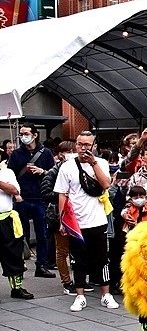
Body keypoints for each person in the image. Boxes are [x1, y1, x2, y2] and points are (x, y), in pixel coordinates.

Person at [54, 130, 119, 312]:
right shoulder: (66, 166)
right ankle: (80, 295)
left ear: (94, 146)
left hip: (98, 220)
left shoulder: (102, 163)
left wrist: (93, 163)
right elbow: (62, 194)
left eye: (87, 145)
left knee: (102, 259)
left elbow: (106, 184)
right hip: (76, 222)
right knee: (77, 260)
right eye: (80, 144)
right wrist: (62, 221)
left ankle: (106, 294)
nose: (83, 148)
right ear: (76, 145)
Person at [7, 123, 56, 278]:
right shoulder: (16, 154)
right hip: (22, 198)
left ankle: (41, 265)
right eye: (21, 134)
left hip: (40, 198)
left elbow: (54, 173)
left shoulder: (46, 153)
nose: (23, 137)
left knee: (42, 234)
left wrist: (43, 171)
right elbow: (10, 175)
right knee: (20, 234)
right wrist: (16, 194)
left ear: (35, 135)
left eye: (26, 133)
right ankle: (19, 264)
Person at [41, 140, 77, 292]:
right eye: (69, 152)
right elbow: (45, 193)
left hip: (77, 214)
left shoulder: (78, 169)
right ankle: (66, 281)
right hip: (58, 214)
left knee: (77, 249)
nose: (72, 155)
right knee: (62, 250)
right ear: (60, 154)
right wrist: (61, 194)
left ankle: (79, 279)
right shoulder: (53, 172)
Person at [0, 162, 34, 299]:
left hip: (6, 219)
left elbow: (15, 191)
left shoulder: (7, 173)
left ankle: (17, 288)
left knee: (13, 255)